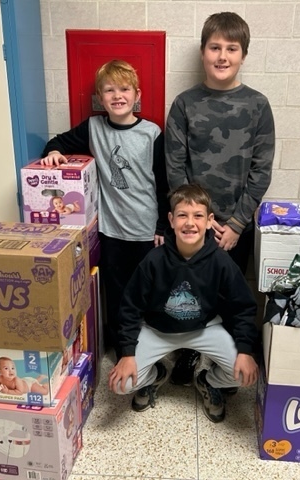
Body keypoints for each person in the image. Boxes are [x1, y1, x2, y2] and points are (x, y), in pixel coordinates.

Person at [164, 11, 275, 385]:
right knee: (187, 292)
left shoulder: (258, 106)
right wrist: (197, 221)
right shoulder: (184, 104)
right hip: (193, 224)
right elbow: (175, 169)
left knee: (229, 294)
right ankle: (188, 353)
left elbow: (261, 172)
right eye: (215, 47)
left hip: (236, 225)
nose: (222, 56)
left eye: (232, 48)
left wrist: (236, 224)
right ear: (202, 52)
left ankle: (222, 369)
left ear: (243, 54)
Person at [40, 60, 169, 359]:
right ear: (100, 97)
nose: (117, 96)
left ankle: (149, 350)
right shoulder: (94, 127)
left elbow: (164, 184)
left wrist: (162, 226)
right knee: (117, 292)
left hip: (146, 232)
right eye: (109, 90)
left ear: (137, 94)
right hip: (111, 231)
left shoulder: (152, 133)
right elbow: (57, 141)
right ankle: (124, 349)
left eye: (124, 89)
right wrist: (54, 152)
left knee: (149, 292)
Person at [107, 184, 259, 423]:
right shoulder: (153, 261)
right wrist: (127, 353)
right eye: (182, 215)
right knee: (121, 384)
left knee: (244, 375)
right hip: (158, 331)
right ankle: (156, 374)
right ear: (171, 219)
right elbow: (130, 307)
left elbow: (242, 307)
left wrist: (245, 350)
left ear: (209, 221)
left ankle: (207, 381)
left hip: (204, 328)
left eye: (198, 216)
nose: (190, 223)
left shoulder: (221, 261)